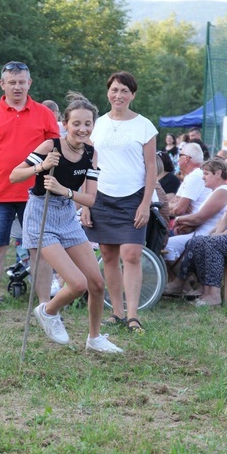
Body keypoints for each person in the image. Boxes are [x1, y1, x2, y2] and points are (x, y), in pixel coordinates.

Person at [9, 92, 123, 353]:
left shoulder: (91, 153)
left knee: (96, 283)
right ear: (65, 123)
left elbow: (91, 199)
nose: (83, 129)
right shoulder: (51, 147)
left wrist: (65, 191)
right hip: (41, 215)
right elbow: (14, 176)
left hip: (67, 215)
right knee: (78, 283)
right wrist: (41, 167)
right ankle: (48, 312)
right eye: (77, 124)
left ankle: (94, 339)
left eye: (88, 124)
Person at [0, 61, 59, 323]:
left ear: (29, 83)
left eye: (22, 82)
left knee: (39, 251)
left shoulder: (44, 114)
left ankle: (45, 307)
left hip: (37, 193)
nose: (17, 86)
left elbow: (56, 153)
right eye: (12, 82)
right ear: (3, 84)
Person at [81, 71, 157, 334]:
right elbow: (88, 165)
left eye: (124, 90)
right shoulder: (97, 124)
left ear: (133, 95)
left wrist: (146, 203)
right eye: (114, 90)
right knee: (108, 255)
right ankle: (117, 312)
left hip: (133, 197)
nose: (119, 95)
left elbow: (151, 168)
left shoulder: (144, 126)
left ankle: (134, 315)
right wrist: (86, 203)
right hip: (101, 196)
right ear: (108, 93)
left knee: (132, 254)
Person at [165, 152, 227, 305]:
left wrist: (222, 235)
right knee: (198, 241)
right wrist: (216, 233)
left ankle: (213, 295)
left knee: (212, 244)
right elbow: (226, 216)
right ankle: (196, 288)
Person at [165, 158, 227, 263]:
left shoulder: (223, 190)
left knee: (168, 245)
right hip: (200, 233)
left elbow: (199, 218)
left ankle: (184, 278)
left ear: (218, 173)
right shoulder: (216, 191)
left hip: (206, 235)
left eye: (206, 174)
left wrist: (178, 220)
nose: (203, 177)